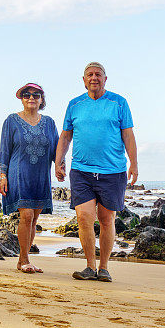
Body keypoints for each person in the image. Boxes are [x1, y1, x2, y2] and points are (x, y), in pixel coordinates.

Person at [54, 62, 138, 282]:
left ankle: (104, 267)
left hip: (113, 171)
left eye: (98, 74)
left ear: (105, 79)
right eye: (89, 75)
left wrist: (134, 164)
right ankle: (89, 266)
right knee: (83, 217)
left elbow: (128, 135)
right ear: (83, 80)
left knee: (107, 219)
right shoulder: (74, 105)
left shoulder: (119, 103)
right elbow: (65, 136)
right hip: (81, 170)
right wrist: (58, 161)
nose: (94, 78)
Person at [0, 83, 59, 273]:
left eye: (36, 95)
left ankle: (23, 259)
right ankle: (24, 259)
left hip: (40, 175)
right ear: (21, 99)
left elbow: (56, 148)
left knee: (34, 219)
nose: (31, 97)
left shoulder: (49, 123)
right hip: (18, 174)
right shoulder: (11, 121)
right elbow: (4, 149)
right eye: (26, 95)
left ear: (42, 100)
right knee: (27, 214)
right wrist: (3, 176)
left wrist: (60, 166)